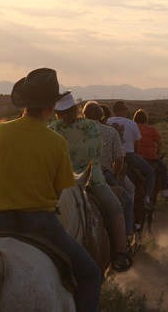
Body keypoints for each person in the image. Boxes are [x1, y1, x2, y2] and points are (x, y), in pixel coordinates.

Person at [0, 68, 101, 312]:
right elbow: (58, 192)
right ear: (51, 106)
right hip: (42, 223)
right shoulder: (56, 142)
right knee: (90, 275)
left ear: (24, 103)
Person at [48, 93, 132, 273]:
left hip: (59, 184)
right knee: (116, 209)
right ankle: (120, 253)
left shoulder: (50, 129)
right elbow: (99, 151)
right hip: (92, 180)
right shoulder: (91, 126)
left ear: (56, 113)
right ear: (75, 110)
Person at [82, 101, 136, 242]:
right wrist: (114, 175)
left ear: (84, 114)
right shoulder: (110, 131)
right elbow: (119, 159)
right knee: (126, 202)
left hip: (74, 176)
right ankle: (126, 239)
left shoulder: (76, 129)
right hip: (102, 175)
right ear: (101, 115)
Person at [107, 101, 156, 210]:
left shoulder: (107, 122)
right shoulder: (131, 123)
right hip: (128, 155)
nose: (127, 110)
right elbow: (137, 142)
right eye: (125, 108)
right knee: (150, 171)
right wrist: (135, 152)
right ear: (120, 110)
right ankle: (147, 198)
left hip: (110, 156)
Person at [132, 109, 168, 199]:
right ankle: (164, 189)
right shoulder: (151, 129)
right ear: (146, 119)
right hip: (151, 156)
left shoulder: (132, 128)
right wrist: (158, 153)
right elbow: (159, 143)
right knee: (163, 169)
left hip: (136, 156)